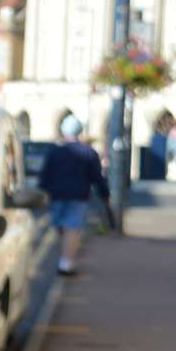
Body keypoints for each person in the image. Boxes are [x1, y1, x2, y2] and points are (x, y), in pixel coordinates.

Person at [38, 114, 113, 276]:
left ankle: (65, 260)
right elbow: (97, 177)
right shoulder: (89, 153)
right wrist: (105, 194)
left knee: (62, 227)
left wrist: (42, 193)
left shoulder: (54, 152)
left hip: (57, 195)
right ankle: (66, 262)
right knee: (72, 227)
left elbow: (44, 176)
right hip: (79, 196)